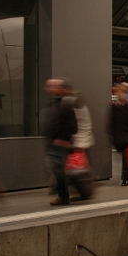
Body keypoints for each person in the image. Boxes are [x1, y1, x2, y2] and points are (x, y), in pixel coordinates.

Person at [43, 78, 78, 206]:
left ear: (60, 88)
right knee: (58, 170)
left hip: (60, 144)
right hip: (53, 143)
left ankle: (64, 196)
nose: (49, 89)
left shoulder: (66, 104)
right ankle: (64, 194)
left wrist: (63, 139)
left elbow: (73, 126)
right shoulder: (54, 103)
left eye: (53, 86)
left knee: (59, 170)